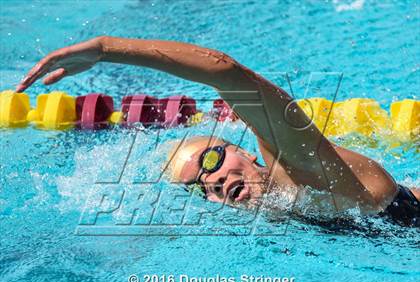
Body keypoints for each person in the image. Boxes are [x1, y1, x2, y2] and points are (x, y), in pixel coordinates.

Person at [16, 36, 419, 227]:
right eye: (198, 186)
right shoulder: (280, 210)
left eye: (211, 160)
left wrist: (105, 49)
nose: (213, 181)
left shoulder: (299, 168)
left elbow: (227, 72)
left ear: (243, 150)